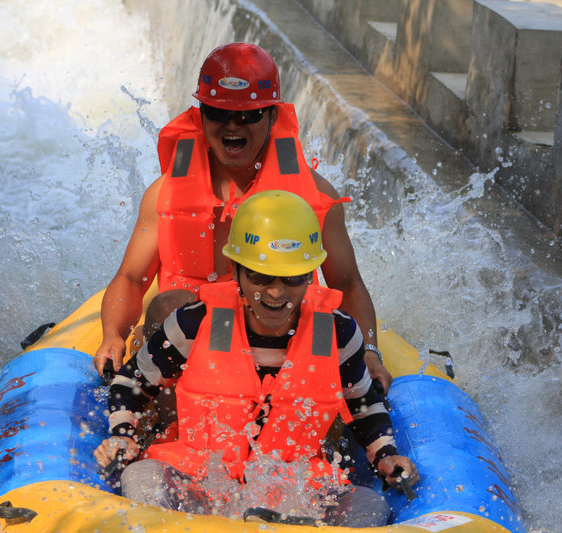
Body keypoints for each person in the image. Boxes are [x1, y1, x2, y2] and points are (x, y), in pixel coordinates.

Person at [94, 191, 418, 527]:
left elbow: (364, 406)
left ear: (310, 275)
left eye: (292, 278)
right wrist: (123, 433)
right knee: (141, 478)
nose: (276, 292)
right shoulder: (195, 322)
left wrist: (385, 454)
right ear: (236, 272)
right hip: (200, 480)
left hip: (296, 489)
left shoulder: (338, 333)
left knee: (370, 505)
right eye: (261, 277)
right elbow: (132, 379)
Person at [93, 42, 391, 390]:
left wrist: (369, 352)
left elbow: (347, 284)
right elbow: (131, 278)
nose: (232, 126)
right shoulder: (164, 193)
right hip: (186, 343)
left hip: (282, 337)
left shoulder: (315, 197)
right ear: (200, 114)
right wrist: (112, 334)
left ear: (273, 116)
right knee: (165, 305)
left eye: (248, 116)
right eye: (218, 113)